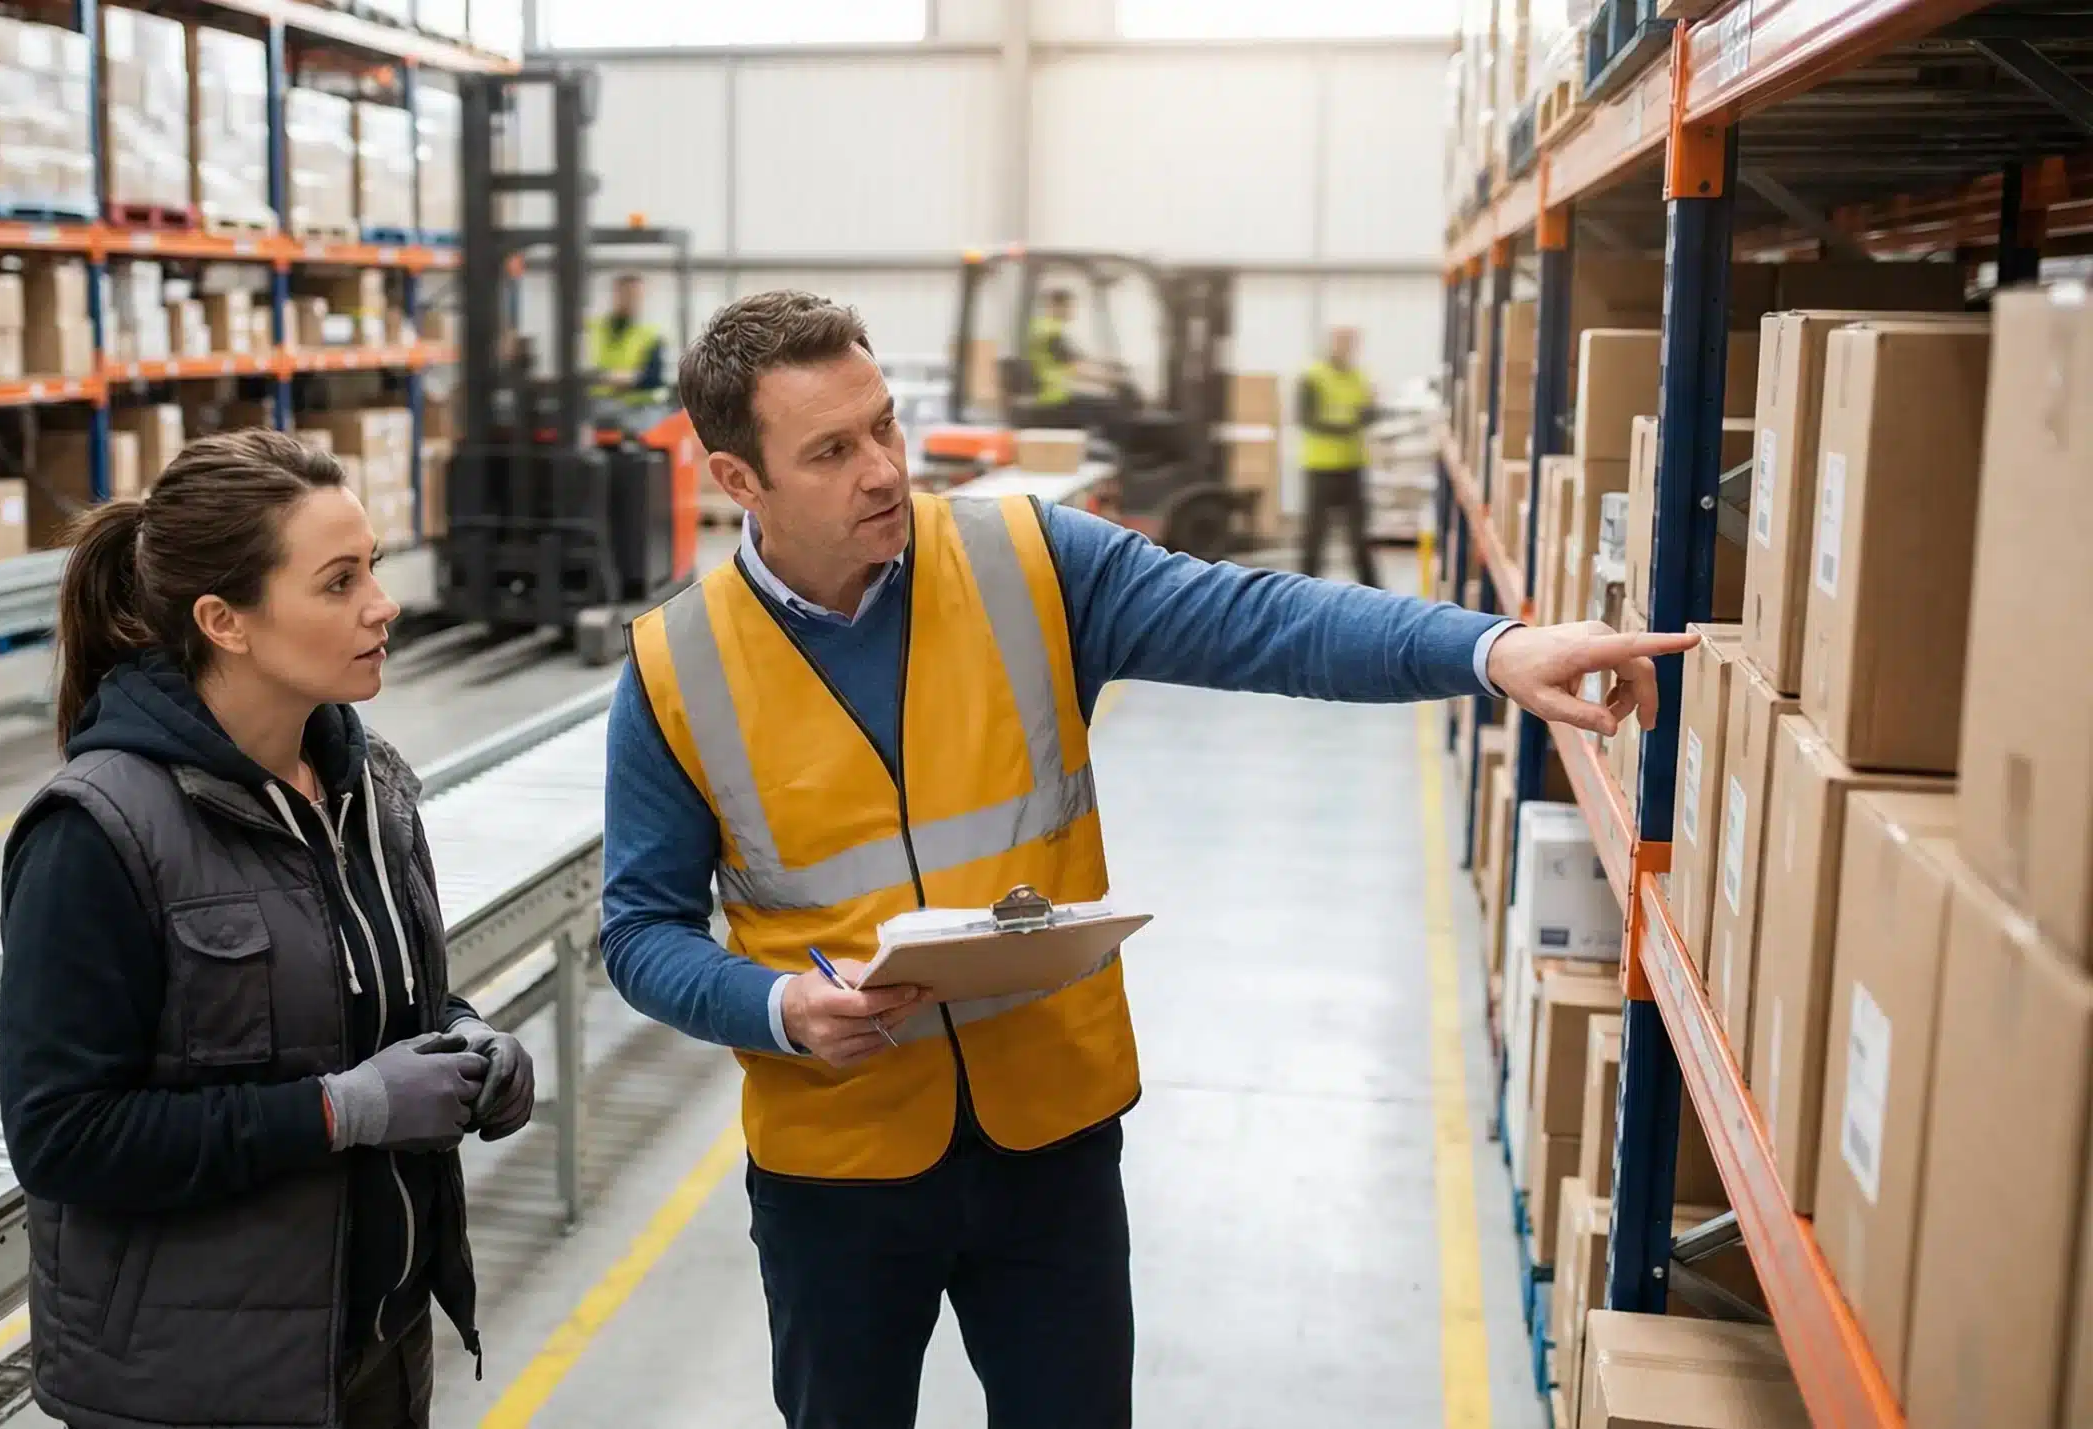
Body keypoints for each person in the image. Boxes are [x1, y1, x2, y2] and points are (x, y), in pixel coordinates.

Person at [600, 289, 1694, 1429]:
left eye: (883, 425)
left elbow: (1263, 619)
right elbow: (639, 932)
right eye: (830, 450)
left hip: (1050, 1140)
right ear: (738, 480)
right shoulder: (678, 667)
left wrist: (1489, 648)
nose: (882, 471)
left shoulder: (1024, 562)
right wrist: (774, 1005)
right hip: (836, 1165)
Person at [0, 429, 535, 1429]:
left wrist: (471, 1043)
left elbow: (375, 1002)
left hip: (369, 1345)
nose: (383, 603)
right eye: (338, 582)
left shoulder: (366, 785)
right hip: (201, 1385)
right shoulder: (99, 831)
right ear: (224, 621)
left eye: (371, 566)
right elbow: (62, 1136)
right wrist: (342, 1111)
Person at [1298, 325, 1382, 587]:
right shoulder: (1313, 377)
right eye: (1341, 342)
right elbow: (1306, 418)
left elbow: (1370, 412)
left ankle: (1372, 592)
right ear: (1331, 343)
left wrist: (1366, 416)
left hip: (1352, 465)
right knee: (1315, 536)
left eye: (1350, 342)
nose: (1345, 347)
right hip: (1320, 466)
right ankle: (1303, 588)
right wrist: (1348, 425)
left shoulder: (1360, 377)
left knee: (1359, 537)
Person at [586, 272, 668, 405]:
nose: (632, 300)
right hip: (600, 404)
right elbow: (581, 369)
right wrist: (613, 377)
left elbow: (654, 378)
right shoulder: (594, 329)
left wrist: (627, 379)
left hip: (641, 405)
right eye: (627, 294)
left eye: (637, 296)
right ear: (616, 295)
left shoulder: (652, 333)